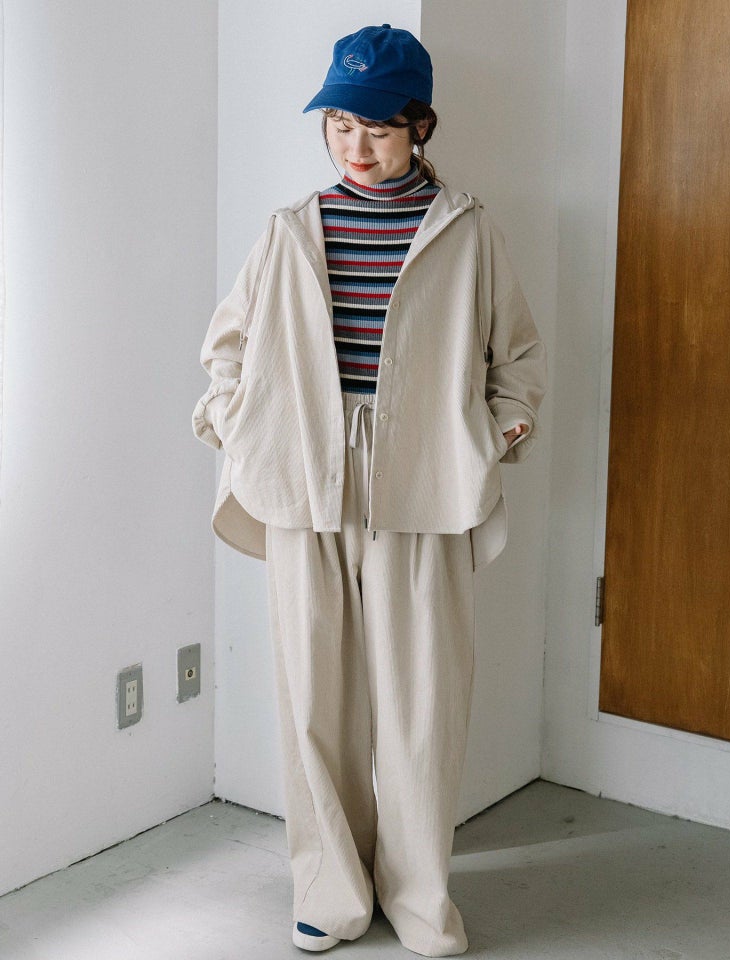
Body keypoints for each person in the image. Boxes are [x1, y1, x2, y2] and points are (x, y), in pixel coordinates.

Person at [192, 24, 546, 958]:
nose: (355, 145)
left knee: (423, 699)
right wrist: (236, 420)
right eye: (340, 124)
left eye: (378, 128)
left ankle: (421, 897)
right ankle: (330, 886)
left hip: (425, 470)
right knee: (317, 697)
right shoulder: (291, 228)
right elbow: (227, 348)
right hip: (304, 469)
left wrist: (500, 429)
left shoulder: (466, 230)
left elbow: (516, 355)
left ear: (419, 126)